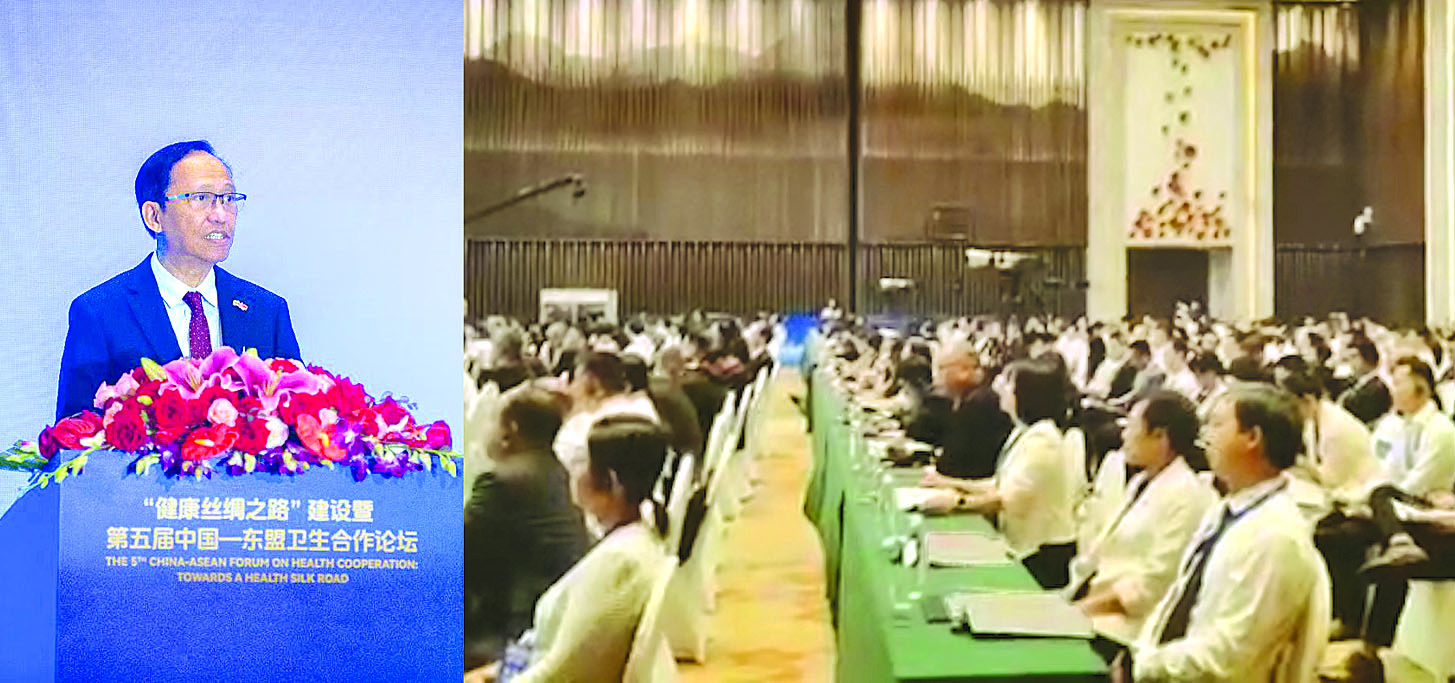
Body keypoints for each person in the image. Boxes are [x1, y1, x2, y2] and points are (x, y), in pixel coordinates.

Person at [56, 140, 300, 419]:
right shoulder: (100, 313)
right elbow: (73, 432)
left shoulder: (266, 311)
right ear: (154, 216)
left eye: (228, 198)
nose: (220, 215)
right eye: (201, 198)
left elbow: (296, 418)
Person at [1119, 385, 1330, 682]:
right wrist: (1142, 651)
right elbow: (1177, 599)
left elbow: (1230, 655)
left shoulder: (1275, 536)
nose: (1206, 436)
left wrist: (1145, 666)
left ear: (1252, 438)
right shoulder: (1226, 509)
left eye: (1217, 425)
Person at [508, 415, 671, 682]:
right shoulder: (636, 539)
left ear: (610, 480)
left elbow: (560, 673)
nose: (574, 470)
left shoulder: (618, 561)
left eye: (582, 462)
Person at [1070, 392, 1218, 650]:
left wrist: (1079, 610)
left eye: (1131, 427)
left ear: (1160, 436)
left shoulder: (1187, 497)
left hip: (1126, 631)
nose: (1123, 435)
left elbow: (1152, 586)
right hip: (1092, 605)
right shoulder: (1141, 480)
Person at [920, 358, 1078, 588]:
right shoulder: (1024, 432)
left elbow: (1005, 500)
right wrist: (946, 482)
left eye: (1008, 383)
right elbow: (999, 483)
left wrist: (957, 502)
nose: (999, 386)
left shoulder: (1043, 441)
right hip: (1020, 543)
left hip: (1041, 554)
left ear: (1025, 394)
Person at [464, 389, 589, 670]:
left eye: (492, 421)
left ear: (510, 429)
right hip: (553, 618)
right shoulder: (555, 471)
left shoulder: (502, 482)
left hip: (510, 630)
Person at [904, 341, 1013, 480]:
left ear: (964, 370)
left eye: (941, 368)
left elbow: (954, 466)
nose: (936, 375)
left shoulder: (978, 404)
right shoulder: (964, 400)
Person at [1338, 338, 1393, 427]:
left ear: (1367, 356)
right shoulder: (1356, 382)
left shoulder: (1376, 388)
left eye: (1354, 356)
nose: (1351, 362)